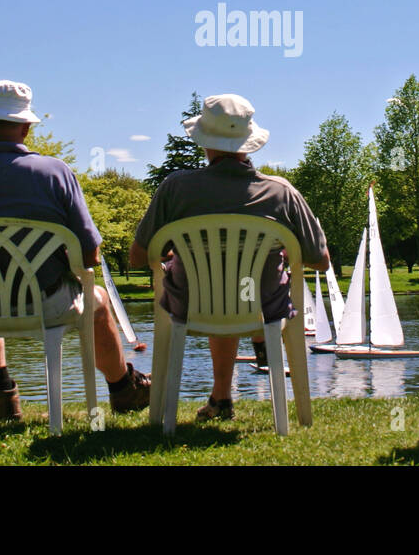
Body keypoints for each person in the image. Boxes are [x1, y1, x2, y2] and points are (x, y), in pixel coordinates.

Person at [0, 80, 149, 423]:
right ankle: (122, 388)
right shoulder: (56, 172)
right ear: (26, 128)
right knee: (97, 298)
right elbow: (90, 256)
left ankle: (4, 395)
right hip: (48, 302)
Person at [131, 93, 329, 421]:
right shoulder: (281, 192)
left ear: (204, 141)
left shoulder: (175, 188)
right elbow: (320, 260)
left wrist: (174, 252)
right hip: (262, 305)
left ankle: (221, 399)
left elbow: (138, 257)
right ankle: (257, 355)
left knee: (214, 283)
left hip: (191, 305)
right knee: (242, 285)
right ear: (248, 142)